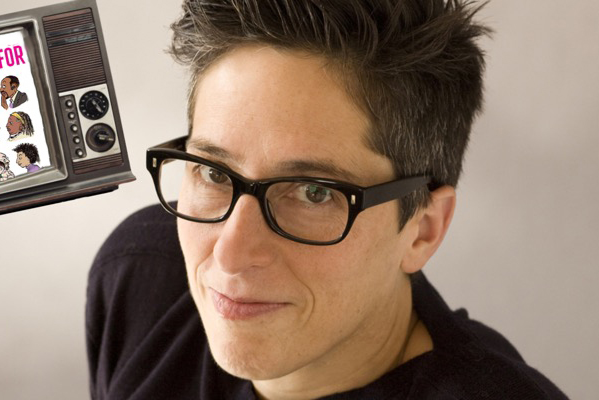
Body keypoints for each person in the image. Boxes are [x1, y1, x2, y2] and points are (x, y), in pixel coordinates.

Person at [86, 1, 568, 399]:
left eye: (314, 193)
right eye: (213, 172)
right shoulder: (143, 276)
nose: (230, 256)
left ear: (422, 230)